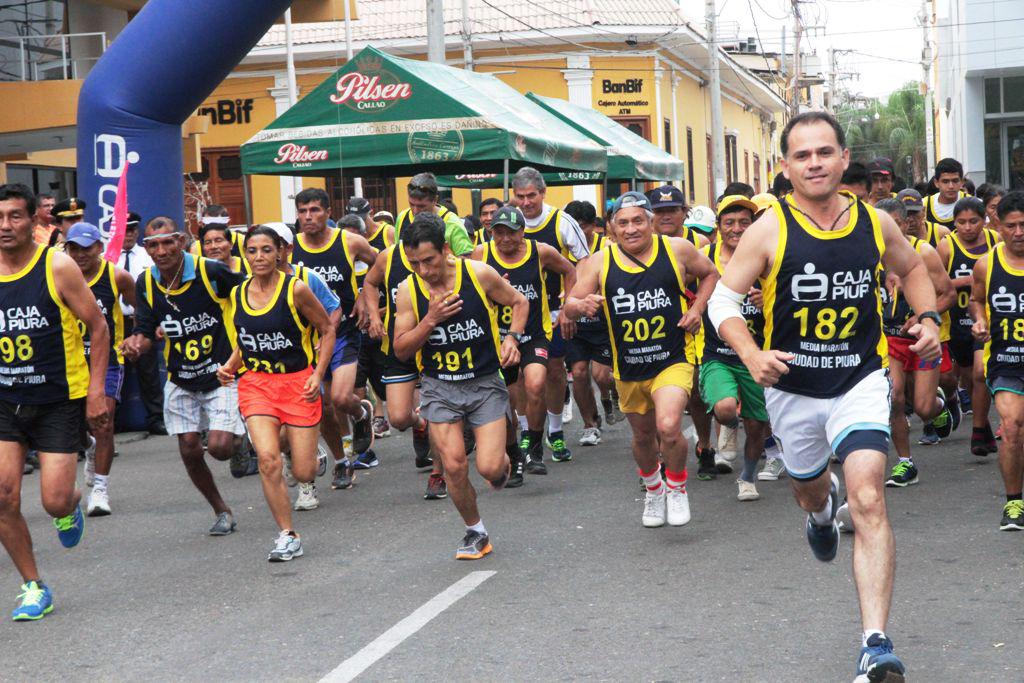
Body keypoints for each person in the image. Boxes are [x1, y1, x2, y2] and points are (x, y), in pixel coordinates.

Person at [708, 111, 941, 681]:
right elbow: (721, 303)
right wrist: (751, 353)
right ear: (785, 167)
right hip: (793, 389)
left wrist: (929, 315)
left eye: (825, 152)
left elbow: (912, 267)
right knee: (813, 493)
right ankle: (817, 512)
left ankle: (875, 642)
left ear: (842, 159)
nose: (814, 163)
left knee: (867, 498)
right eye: (802, 155)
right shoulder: (769, 228)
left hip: (859, 381)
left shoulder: (875, 223)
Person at [565, 191, 718, 528]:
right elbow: (569, 305)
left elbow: (710, 273)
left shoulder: (676, 249)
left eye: (638, 221)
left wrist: (697, 308)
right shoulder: (599, 263)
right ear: (611, 228)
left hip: (672, 357)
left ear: (650, 222)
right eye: (623, 223)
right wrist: (582, 305)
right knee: (644, 437)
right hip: (629, 365)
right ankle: (653, 489)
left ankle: (676, 486)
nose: (631, 229)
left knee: (668, 426)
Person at [0, 184, 109, 621]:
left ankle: (67, 509)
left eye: (14, 216)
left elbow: (98, 328)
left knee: (54, 500)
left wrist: (97, 392)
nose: (5, 226)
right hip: (5, 400)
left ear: (34, 221)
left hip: (57, 400)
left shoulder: (58, 266)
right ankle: (33, 585)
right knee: (3, 496)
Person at [392, 212, 528, 559]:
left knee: (490, 469)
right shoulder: (409, 291)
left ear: (447, 249)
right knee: (453, 465)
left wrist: (512, 337)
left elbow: (519, 302)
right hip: (440, 387)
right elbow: (402, 348)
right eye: (414, 263)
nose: (423, 270)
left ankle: (502, 459)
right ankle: (475, 531)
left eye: (429, 260)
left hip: (484, 384)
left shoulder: (478, 274)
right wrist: (431, 320)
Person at [121, 217, 246, 536]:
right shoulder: (146, 282)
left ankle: (239, 437)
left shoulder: (210, 271)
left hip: (221, 373)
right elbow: (145, 331)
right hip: (181, 377)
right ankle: (221, 510)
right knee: (190, 449)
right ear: (146, 249)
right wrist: (136, 344)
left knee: (219, 448)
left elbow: (251, 294)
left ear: (181, 241)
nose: (161, 250)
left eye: (167, 242)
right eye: (153, 245)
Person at [217, 226, 335, 561]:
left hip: (298, 383)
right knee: (268, 461)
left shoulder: (296, 289)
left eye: (266, 250)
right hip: (257, 385)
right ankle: (287, 534)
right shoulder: (238, 294)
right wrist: (229, 365)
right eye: (252, 251)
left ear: (279, 252)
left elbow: (327, 329)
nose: (259, 257)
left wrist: (318, 373)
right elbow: (246, 339)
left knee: (303, 472)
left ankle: (311, 458)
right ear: (244, 255)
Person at [472, 205, 575, 476]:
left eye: (512, 233)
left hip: (534, 333)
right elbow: (466, 286)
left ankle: (535, 445)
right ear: (490, 232)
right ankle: (513, 450)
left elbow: (570, 270)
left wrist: (567, 308)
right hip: (497, 337)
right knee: (504, 395)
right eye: (499, 233)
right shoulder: (482, 254)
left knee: (536, 383)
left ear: (523, 231)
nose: (505, 239)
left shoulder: (539, 251)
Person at [290, 188, 378, 489]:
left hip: (343, 331)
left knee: (341, 397)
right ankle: (342, 461)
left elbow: (380, 267)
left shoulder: (349, 241)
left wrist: (366, 297)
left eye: (314, 210)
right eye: (302, 211)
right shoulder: (291, 247)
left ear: (329, 212)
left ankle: (361, 410)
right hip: (306, 337)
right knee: (325, 404)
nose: (307, 217)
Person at [874, 198, 956, 488]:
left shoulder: (923, 252)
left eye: (894, 226)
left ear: (905, 224)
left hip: (922, 339)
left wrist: (924, 318)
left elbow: (947, 294)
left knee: (923, 407)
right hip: (889, 340)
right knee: (894, 398)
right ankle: (905, 463)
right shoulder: (867, 254)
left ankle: (942, 405)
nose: (887, 232)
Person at [512, 167, 591, 462]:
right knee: (519, 374)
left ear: (543, 193)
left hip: (554, 311)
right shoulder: (505, 223)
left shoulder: (561, 221)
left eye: (531, 195)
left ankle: (555, 432)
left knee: (556, 370)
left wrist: (572, 302)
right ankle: (525, 432)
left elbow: (583, 261)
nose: (526, 202)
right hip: (516, 311)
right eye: (520, 196)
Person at [360, 220, 442, 500]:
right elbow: (369, 283)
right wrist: (373, 315)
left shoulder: (442, 257)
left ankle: (438, 474)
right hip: (401, 344)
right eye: (410, 257)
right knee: (398, 418)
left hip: (435, 345)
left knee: (439, 414)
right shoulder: (387, 257)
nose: (419, 265)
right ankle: (420, 426)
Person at [697, 196, 770, 501]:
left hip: (757, 357)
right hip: (719, 354)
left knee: (756, 427)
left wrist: (768, 299)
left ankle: (748, 476)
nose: (737, 228)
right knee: (726, 407)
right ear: (718, 227)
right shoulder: (704, 258)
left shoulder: (768, 257)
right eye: (729, 223)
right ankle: (727, 422)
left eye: (744, 222)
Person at [265, 221, 340, 508]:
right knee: (275, 438)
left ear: (286, 249)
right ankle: (295, 454)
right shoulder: (249, 286)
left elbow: (331, 314)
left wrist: (321, 357)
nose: (269, 255)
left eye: (275, 247)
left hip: (301, 368)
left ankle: (307, 483)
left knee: (300, 432)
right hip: (265, 374)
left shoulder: (305, 281)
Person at [64, 223, 136, 517]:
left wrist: (137, 335)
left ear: (99, 248)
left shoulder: (116, 276)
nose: (80, 255)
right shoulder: (56, 277)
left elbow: (143, 309)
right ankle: (88, 447)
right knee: (76, 428)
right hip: (68, 362)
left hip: (106, 360)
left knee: (103, 423)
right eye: (74, 248)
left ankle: (100, 489)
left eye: (86, 248)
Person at [648, 187, 718, 475]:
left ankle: (704, 445)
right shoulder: (640, 243)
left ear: (684, 213)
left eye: (672, 210)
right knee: (653, 395)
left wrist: (696, 309)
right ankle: (660, 456)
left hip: (694, 325)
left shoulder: (697, 242)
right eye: (660, 211)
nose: (666, 216)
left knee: (697, 393)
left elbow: (711, 275)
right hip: (653, 329)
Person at [970, 190, 1024, 530]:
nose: (1019, 232)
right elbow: (976, 300)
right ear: (997, 226)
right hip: (1005, 360)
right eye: (1011, 226)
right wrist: (980, 320)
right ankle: (1014, 503)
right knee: (1013, 427)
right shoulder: (986, 264)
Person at [936, 197, 1000, 455]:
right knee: (957, 378)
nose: (968, 227)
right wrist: (967, 280)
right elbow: (934, 283)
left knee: (979, 372)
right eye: (961, 222)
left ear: (983, 220)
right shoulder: (946, 246)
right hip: (954, 322)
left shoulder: (996, 240)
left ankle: (978, 430)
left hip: (983, 319)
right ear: (954, 223)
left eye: (973, 221)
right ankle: (978, 423)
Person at [563, 199, 618, 442]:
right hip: (574, 323)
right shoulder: (562, 250)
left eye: (582, 226)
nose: (577, 232)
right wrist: (566, 311)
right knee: (579, 372)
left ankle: (610, 395)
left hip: (603, 322)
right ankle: (590, 423)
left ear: (594, 226)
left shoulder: (606, 248)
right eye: (572, 226)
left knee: (602, 375)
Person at [112, 212, 165, 435]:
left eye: (132, 229)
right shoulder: (108, 256)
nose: (128, 234)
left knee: (148, 371)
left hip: (141, 319)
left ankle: (156, 418)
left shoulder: (147, 255)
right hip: (115, 320)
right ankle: (111, 422)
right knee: (114, 370)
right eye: (124, 230)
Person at [393, 173, 474, 255]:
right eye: (411, 204)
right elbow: (397, 253)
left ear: (435, 200)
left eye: (421, 206)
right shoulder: (402, 217)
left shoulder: (452, 223)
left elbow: (466, 259)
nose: (415, 211)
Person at [924, 158, 968, 228]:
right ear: (936, 183)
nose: (951, 186)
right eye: (945, 181)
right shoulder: (924, 205)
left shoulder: (973, 204)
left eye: (955, 181)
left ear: (962, 182)